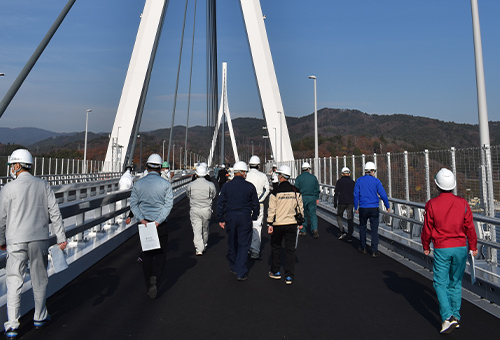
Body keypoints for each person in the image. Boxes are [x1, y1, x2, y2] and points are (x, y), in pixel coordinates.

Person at [0, 149, 67, 338]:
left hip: (15, 240)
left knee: (14, 280)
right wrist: (61, 237)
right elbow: (55, 213)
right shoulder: (43, 185)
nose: (11, 168)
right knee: (39, 278)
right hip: (39, 238)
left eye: (12, 165)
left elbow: (1, 219)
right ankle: (40, 316)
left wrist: (1, 240)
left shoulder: (8, 188)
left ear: (18, 165)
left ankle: (12, 325)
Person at [421, 168, 477, 334]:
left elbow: (427, 228)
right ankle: (456, 316)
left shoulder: (431, 204)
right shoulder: (463, 203)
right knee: (455, 282)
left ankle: (447, 317)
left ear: (437, 185)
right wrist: (473, 246)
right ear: (453, 185)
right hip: (461, 247)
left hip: (442, 247)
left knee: (440, 282)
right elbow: (470, 227)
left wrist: (426, 245)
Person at [130, 153, 173, 299]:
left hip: (145, 225)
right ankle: (156, 277)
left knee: (147, 255)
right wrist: (158, 221)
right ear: (161, 168)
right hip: (160, 225)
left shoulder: (138, 184)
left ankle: (149, 283)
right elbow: (168, 205)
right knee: (160, 254)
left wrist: (142, 220)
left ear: (146, 167)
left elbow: (133, 205)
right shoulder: (166, 184)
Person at [217, 161, 259, 281]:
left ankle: (233, 266)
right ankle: (241, 271)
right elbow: (255, 205)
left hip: (230, 217)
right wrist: (254, 216)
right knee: (243, 244)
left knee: (232, 242)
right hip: (245, 217)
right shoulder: (250, 186)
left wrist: (221, 218)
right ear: (243, 172)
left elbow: (220, 204)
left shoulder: (226, 186)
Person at [267, 165, 303, 285]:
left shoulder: (275, 192)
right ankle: (289, 276)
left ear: (281, 176)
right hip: (292, 224)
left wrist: (269, 223)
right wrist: (300, 222)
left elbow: (272, 209)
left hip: (278, 224)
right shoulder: (295, 191)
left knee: (276, 247)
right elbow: (300, 208)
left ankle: (275, 271)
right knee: (290, 250)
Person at [354, 161, 390, 257]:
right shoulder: (376, 181)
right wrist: (387, 206)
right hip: (374, 208)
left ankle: (363, 248)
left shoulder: (359, 180)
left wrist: (356, 207)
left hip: (363, 208)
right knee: (374, 230)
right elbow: (383, 195)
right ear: (372, 171)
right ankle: (374, 250)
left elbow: (356, 195)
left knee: (362, 228)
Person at [186, 165, 216, 255]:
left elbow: (188, 194)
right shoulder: (210, 184)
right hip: (206, 209)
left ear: (196, 174)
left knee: (197, 229)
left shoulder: (191, 185)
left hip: (194, 209)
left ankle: (199, 249)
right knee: (205, 229)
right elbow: (213, 195)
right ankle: (204, 244)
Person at [246, 156, 270, 259]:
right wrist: (260, 199)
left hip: (246, 205)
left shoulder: (246, 175)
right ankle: (255, 250)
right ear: (259, 165)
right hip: (259, 205)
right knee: (257, 226)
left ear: (249, 164)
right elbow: (267, 189)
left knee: (245, 226)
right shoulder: (263, 176)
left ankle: (246, 248)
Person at [294, 162, 320, 238]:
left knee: (303, 214)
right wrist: (317, 197)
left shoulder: (299, 178)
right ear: (309, 169)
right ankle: (314, 228)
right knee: (312, 214)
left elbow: (296, 189)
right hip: (312, 198)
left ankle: (303, 231)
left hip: (302, 197)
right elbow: (317, 189)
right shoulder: (313, 178)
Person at [334, 167, 355, 241]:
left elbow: (336, 192)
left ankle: (342, 231)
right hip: (350, 202)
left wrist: (335, 202)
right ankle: (350, 235)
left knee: (339, 216)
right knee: (350, 218)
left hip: (341, 202)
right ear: (349, 173)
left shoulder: (339, 182)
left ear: (342, 174)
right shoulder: (353, 182)